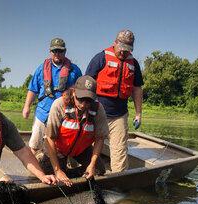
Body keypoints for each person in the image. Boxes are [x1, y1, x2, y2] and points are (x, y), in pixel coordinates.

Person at [85, 30, 144, 173]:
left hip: (119, 115)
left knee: (120, 150)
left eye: (128, 50)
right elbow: (86, 83)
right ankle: (81, 174)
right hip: (96, 112)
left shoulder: (133, 64)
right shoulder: (100, 58)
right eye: (122, 48)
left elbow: (137, 89)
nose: (124, 53)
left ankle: (118, 180)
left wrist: (138, 113)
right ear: (115, 43)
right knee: (85, 146)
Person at [40, 75, 109, 187]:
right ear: (73, 92)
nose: (83, 104)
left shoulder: (98, 109)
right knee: (54, 180)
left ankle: (69, 173)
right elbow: (50, 138)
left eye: (88, 100)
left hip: (81, 148)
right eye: (80, 98)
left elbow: (100, 138)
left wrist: (91, 165)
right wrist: (58, 171)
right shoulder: (59, 105)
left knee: (98, 170)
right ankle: (50, 164)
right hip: (58, 148)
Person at [22, 38, 82, 156]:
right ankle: (32, 170)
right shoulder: (41, 68)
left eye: (60, 51)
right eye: (54, 51)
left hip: (64, 114)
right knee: (35, 144)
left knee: (60, 145)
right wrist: (26, 107)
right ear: (50, 51)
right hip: (42, 112)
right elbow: (33, 89)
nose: (57, 53)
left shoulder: (75, 70)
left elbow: (81, 92)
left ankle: (57, 167)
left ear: (65, 51)